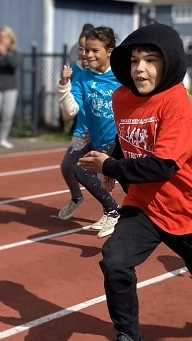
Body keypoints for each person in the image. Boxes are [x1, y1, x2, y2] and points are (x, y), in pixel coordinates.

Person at [78, 23, 192, 341]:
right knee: (115, 260)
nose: (140, 69)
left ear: (169, 63)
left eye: (150, 60)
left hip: (181, 208)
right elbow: (127, 137)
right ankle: (128, 333)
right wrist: (112, 162)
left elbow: (161, 167)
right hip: (142, 205)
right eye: (134, 60)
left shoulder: (177, 107)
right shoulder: (121, 98)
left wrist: (112, 166)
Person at [55, 26, 122, 238]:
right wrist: (63, 87)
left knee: (84, 169)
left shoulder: (121, 74)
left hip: (118, 139)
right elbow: (71, 110)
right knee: (72, 166)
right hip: (92, 135)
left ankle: (115, 212)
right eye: (85, 50)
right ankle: (108, 209)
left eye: (94, 50)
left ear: (109, 51)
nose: (87, 55)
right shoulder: (82, 77)